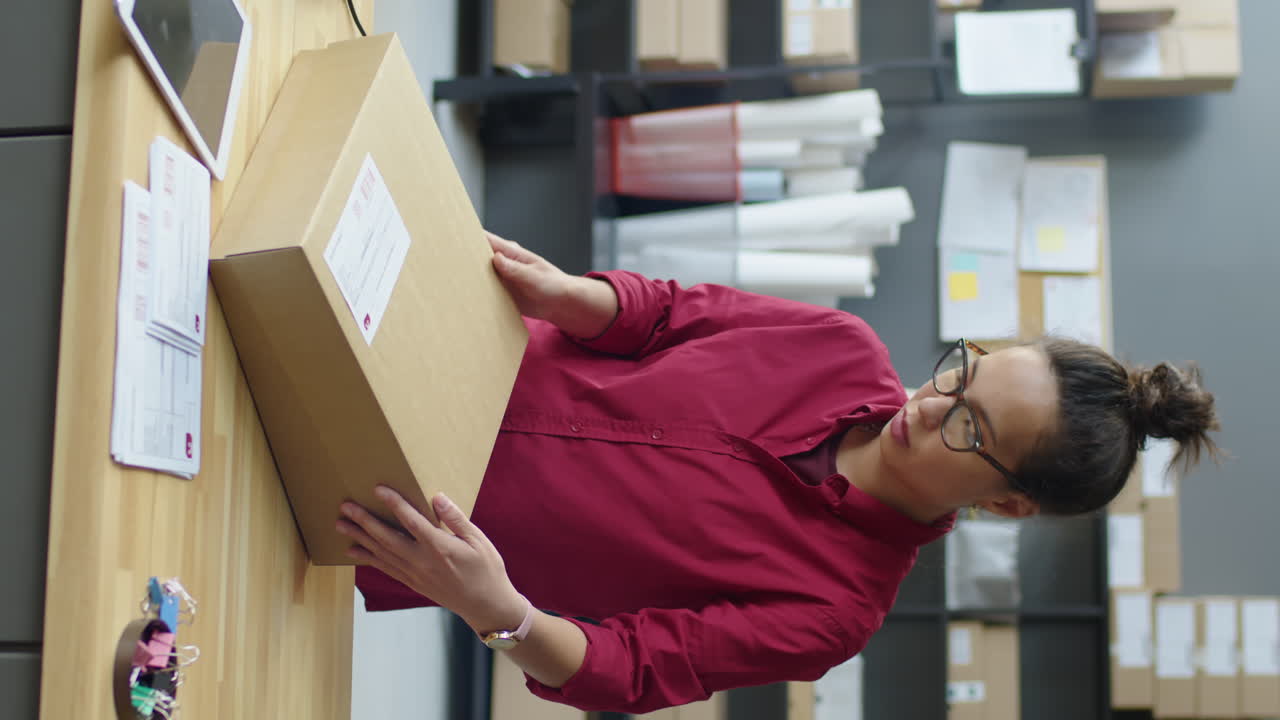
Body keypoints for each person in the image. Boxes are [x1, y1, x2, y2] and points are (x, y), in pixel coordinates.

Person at [338, 232, 1219, 714]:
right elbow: (669, 317)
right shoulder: (842, 345)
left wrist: (501, 614)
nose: (927, 403)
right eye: (961, 369)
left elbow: (629, 670)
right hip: (431, 351)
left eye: (970, 424)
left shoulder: (832, 612)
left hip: (388, 512)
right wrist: (580, 297)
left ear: (1008, 501)